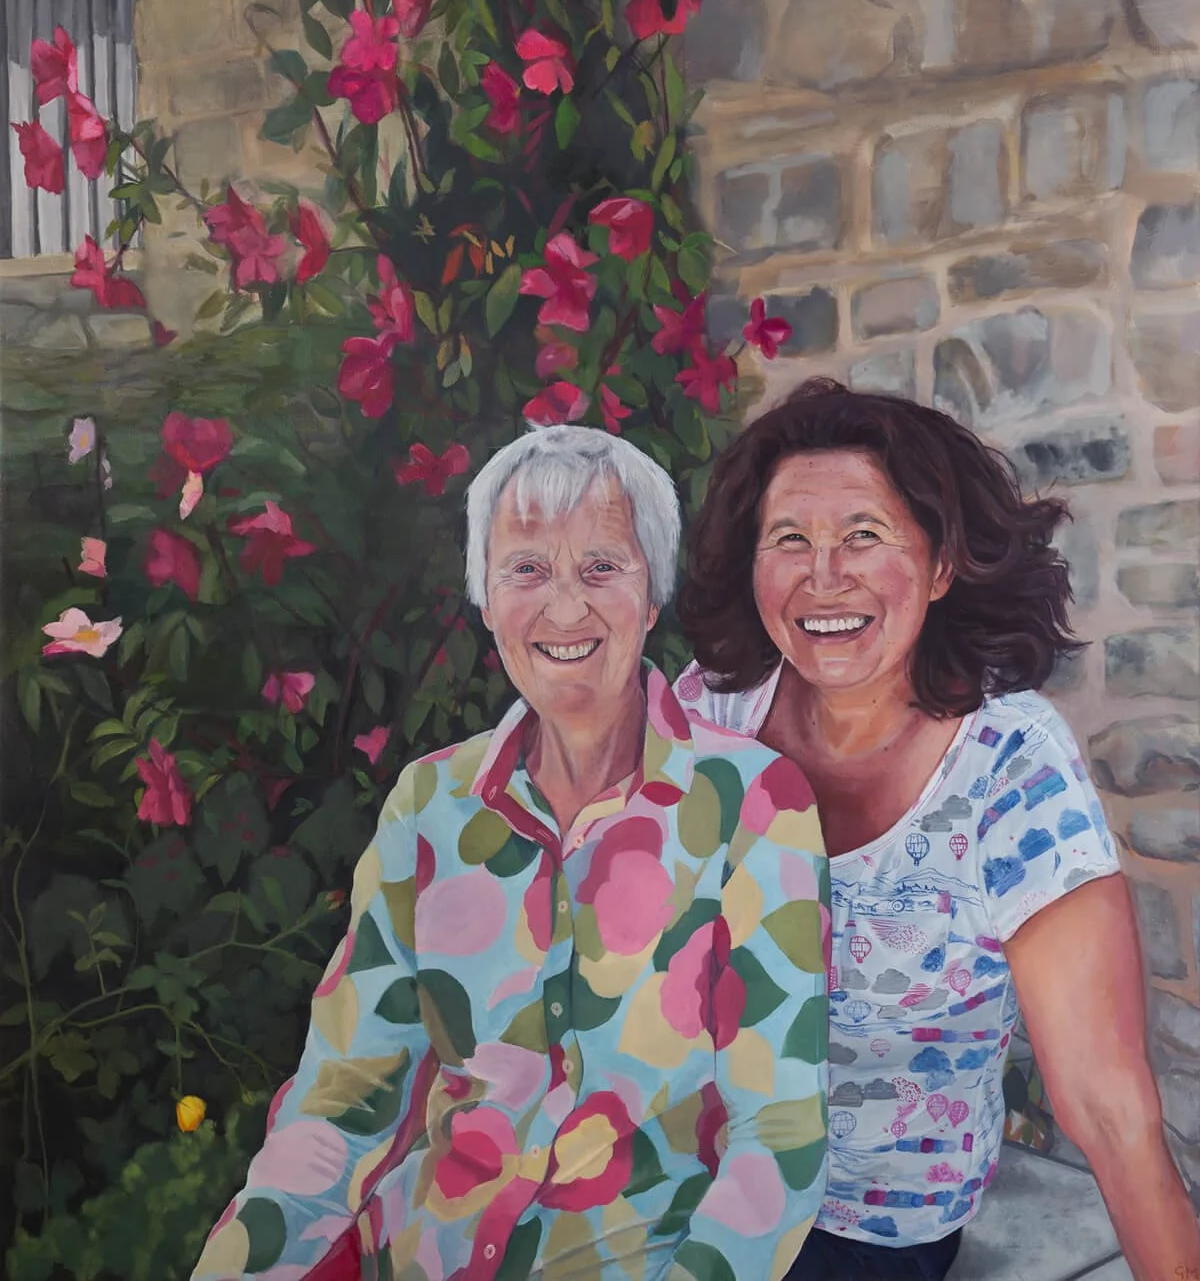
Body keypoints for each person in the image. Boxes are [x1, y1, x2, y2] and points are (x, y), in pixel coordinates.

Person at [192, 424, 830, 1281]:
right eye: (527, 569)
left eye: (602, 566)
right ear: (487, 604)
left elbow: (777, 1142)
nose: (565, 607)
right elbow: (341, 1104)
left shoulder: (752, 805)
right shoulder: (430, 805)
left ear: (652, 597)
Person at [674, 378, 1200, 1281]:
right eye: (789, 538)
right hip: (680, 1178)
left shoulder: (1010, 766)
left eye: (864, 537)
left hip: (859, 1225)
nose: (823, 575)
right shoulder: (708, 715)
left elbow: (1109, 1106)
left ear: (942, 565)